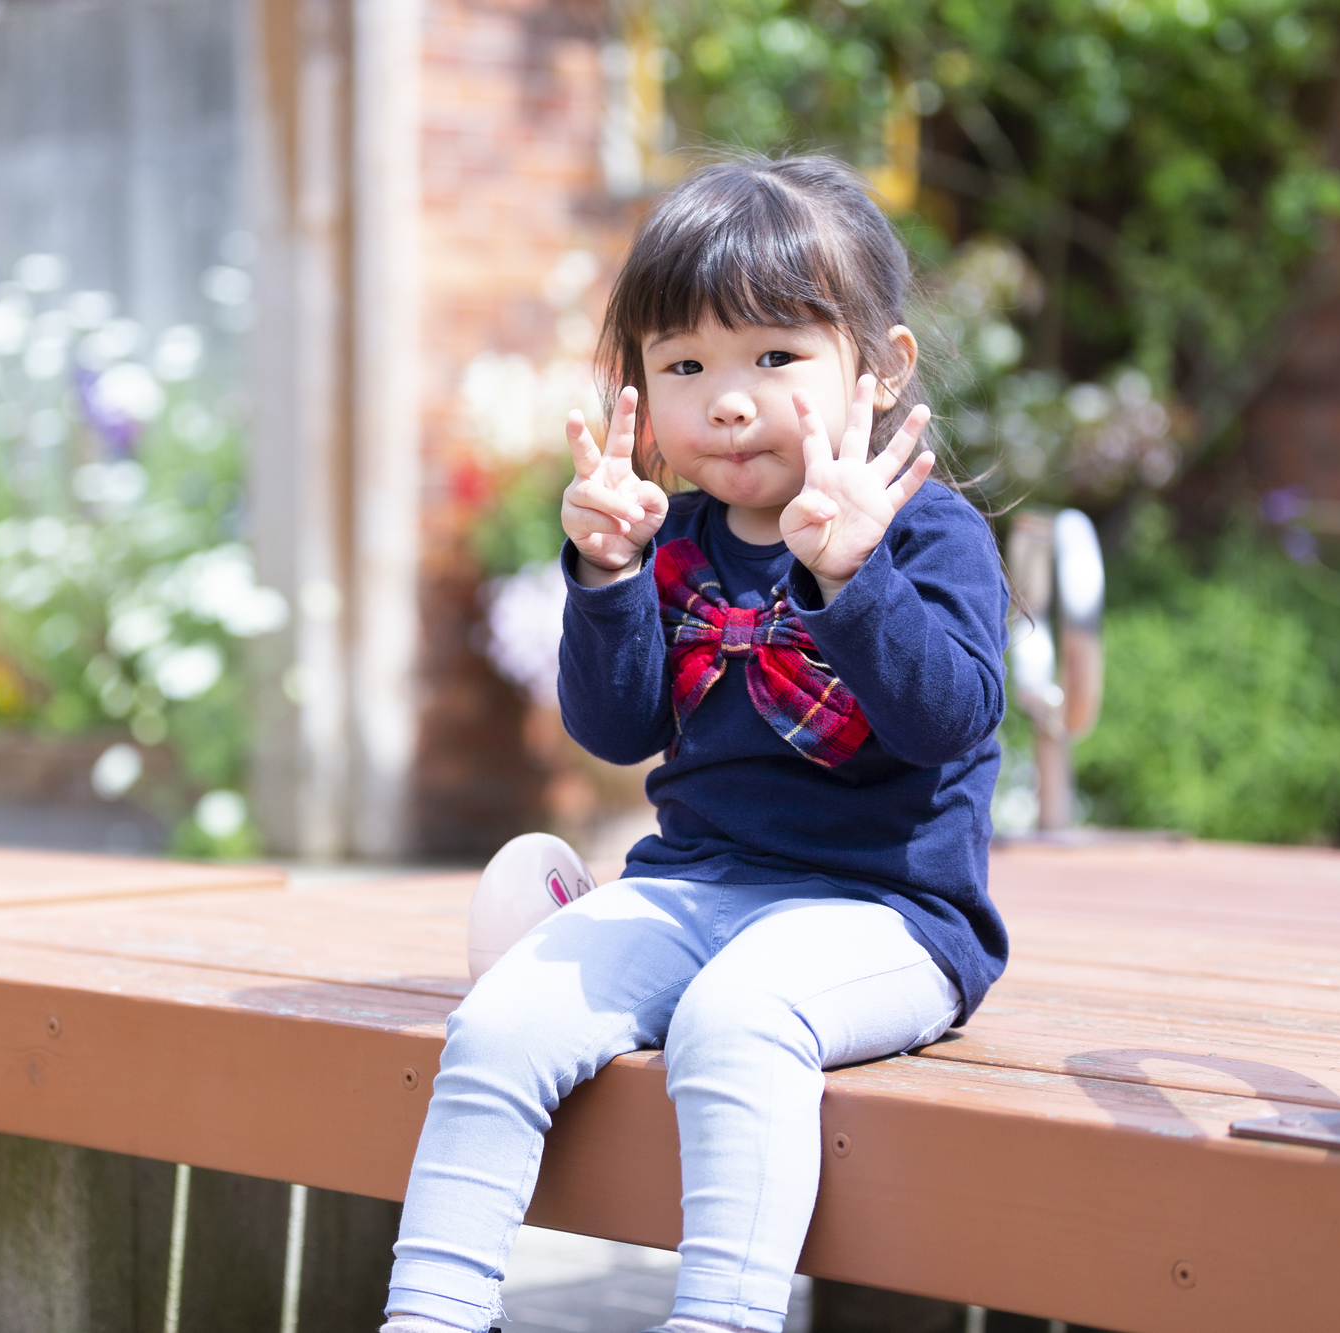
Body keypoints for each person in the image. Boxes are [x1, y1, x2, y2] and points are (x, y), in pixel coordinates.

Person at [381, 154, 1011, 1333]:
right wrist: (610, 576)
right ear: (639, 388)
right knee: (501, 1019)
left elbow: (947, 719)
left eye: (774, 358)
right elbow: (614, 726)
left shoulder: (928, 533)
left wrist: (852, 578)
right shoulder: (677, 540)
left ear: (877, 367)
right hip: (698, 889)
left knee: (735, 1019)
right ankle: (430, 1313)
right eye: (684, 365)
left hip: (887, 914)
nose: (727, 400)